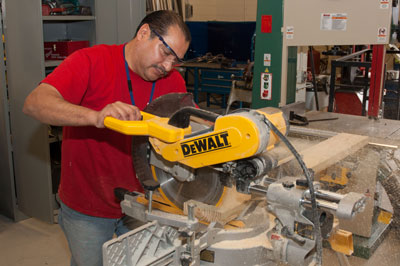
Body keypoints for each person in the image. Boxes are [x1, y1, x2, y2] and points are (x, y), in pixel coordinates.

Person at [23, 10, 191, 266]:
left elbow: (189, 133)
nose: (168, 66)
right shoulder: (91, 61)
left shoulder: (174, 81)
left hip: (146, 205)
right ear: (144, 33)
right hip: (87, 207)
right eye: (166, 52)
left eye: (176, 60)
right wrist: (96, 116)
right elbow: (35, 103)